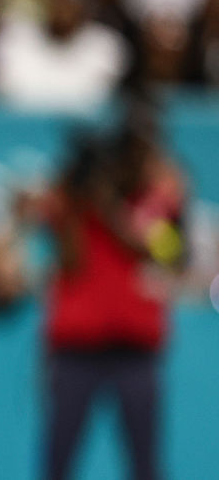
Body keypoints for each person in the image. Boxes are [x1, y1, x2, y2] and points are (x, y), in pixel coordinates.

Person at [41, 103, 186, 480]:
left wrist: (110, 206)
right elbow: (70, 260)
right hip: (76, 349)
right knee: (57, 462)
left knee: (145, 465)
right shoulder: (75, 201)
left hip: (136, 351)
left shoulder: (161, 201)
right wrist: (77, 198)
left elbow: (164, 251)